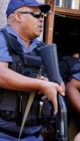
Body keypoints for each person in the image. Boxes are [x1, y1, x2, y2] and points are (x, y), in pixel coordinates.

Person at [0, 0, 65, 140]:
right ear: (18, 16)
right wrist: (39, 84)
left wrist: (48, 82)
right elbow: (1, 74)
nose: (41, 18)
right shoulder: (2, 39)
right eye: (36, 14)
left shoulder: (42, 47)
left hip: (34, 135)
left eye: (42, 15)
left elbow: (60, 85)